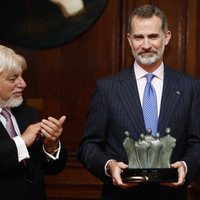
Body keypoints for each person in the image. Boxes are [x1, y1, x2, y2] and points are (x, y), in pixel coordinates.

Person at [77, 4, 200, 200]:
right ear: (128, 39)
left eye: (153, 36)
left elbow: (197, 143)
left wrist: (186, 167)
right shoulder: (107, 88)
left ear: (167, 37)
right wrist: (109, 166)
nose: (145, 45)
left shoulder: (191, 87)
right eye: (138, 37)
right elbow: (89, 146)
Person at [0, 45, 67, 200]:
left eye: (21, 76)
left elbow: (51, 169)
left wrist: (51, 146)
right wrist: (22, 141)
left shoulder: (28, 113)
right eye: (13, 78)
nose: (23, 84)